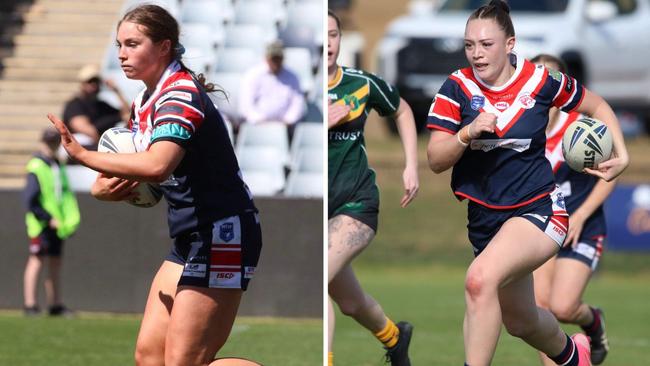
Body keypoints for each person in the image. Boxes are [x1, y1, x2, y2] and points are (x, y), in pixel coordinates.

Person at [48, 5, 262, 366]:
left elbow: (157, 165)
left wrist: (83, 156)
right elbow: (135, 170)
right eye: (119, 44)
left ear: (164, 47)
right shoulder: (144, 101)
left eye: (133, 43)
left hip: (223, 233)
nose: (121, 53)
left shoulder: (180, 96)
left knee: (184, 362)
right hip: (190, 237)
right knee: (149, 356)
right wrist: (103, 189)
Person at [425, 1, 628, 365]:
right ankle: (574, 355)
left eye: (486, 44)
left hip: (539, 210)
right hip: (485, 219)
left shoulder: (541, 81)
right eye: (469, 45)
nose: (477, 53)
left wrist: (622, 154)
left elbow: (597, 107)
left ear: (510, 44)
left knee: (479, 280)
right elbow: (436, 160)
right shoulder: (455, 87)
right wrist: (467, 133)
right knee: (521, 321)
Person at [327, 10, 419, 366]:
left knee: (318, 282)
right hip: (319, 212)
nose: (329, 43)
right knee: (350, 303)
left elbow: (402, 110)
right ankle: (395, 338)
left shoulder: (360, 83)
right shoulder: (304, 88)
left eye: (334, 35)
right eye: (323, 36)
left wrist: (411, 165)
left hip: (355, 205)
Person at [531, 54, 613, 366]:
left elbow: (609, 176)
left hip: (583, 226)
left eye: (551, 79)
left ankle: (593, 321)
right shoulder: (525, 130)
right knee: (540, 305)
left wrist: (579, 216)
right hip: (545, 225)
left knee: (564, 307)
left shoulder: (580, 126)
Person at [23, 127, 80, 316]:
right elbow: (31, 200)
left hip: (58, 223)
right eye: (49, 142)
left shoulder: (57, 164)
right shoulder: (36, 165)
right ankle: (30, 304)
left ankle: (55, 303)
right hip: (41, 224)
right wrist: (47, 219)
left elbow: (64, 195)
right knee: (36, 261)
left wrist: (68, 220)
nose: (52, 146)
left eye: (55, 142)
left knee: (55, 262)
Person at [62, 64, 131, 150]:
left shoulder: (101, 104)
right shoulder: (75, 105)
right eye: (90, 82)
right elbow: (88, 131)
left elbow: (127, 115)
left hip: (101, 146)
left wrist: (116, 91)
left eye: (96, 81)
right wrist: (105, 146)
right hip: (83, 147)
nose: (94, 85)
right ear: (82, 84)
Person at [238, 40, 305, 126]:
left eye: (278, 58)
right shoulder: (253, 75)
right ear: (266, 58)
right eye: (273, 58)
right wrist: (259, 120)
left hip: (286, 127)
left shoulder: (293, 77)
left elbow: (297, 103)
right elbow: (246, 104)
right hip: (257, 126)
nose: (276, 62)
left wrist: (288, 120)